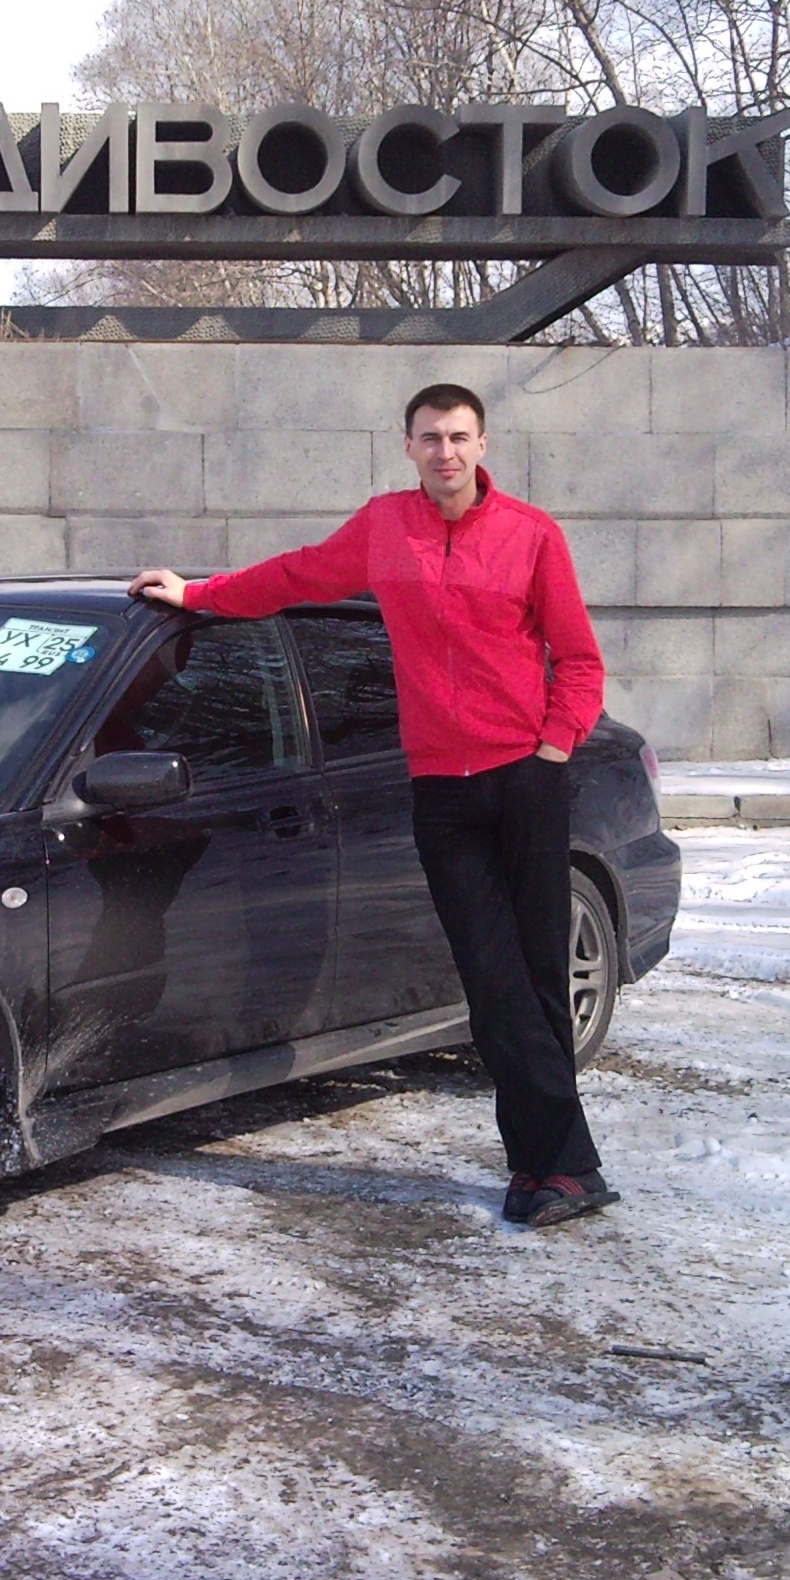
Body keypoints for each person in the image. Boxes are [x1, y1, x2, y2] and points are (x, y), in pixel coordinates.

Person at [129, 382, 616, 1227]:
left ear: (483, 444)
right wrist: (201, 594)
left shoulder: (532, 534)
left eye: (458, 437)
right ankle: (558, 1164)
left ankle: (553, 1167)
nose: (445, 452)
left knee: (537, 972)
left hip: (523, 778)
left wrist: (553, 747)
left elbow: (578, 658)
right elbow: (296, 575)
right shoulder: (386, 526)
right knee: (491, 977)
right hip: (441, 789)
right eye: (430, 437)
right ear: (408, 446)